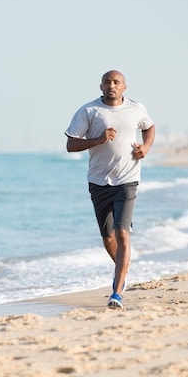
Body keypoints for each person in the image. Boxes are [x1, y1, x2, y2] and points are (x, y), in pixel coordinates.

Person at [65, 70, 155, 309]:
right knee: (108, 238)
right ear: (101, 86)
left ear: (124, 86)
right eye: (107, 82)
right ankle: (123, 268)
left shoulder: (136, 108)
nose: (112, 85)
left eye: (116, 82)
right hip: (98, 181)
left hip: (127, 179)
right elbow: (71, 144)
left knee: (122, 233)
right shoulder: (89, 111)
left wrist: (145, 147)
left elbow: (149, 127)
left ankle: (117, 291)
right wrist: (99, 139)